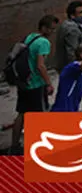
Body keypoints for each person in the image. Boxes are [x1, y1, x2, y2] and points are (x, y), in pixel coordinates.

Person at [12, 14, 57, 151]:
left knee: (22, 113)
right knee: (39, 117)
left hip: (23, 82)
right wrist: (49, 83)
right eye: (51, 29)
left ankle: (14, 145)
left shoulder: (30, 37)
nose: (52, 32)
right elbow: (40, 66)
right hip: (35, 84)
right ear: (43, 28)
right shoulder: (43, 42)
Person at [53, 0, 82, 73]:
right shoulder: (73, 30)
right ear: (72, 16)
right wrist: (78, 68)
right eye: (81, 12)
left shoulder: (66, 24)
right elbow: (72, 52)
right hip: (70, 68)